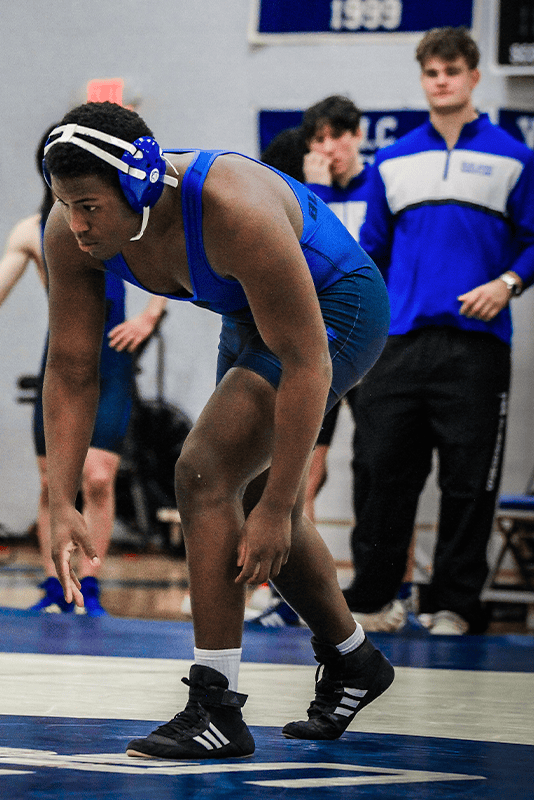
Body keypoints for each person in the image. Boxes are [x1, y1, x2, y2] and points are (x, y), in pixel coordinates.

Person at [40, 101, 394, 759]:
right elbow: (70, 367)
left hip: (337, 306)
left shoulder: (233, 209)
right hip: (247, 308)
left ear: (141, 184)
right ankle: (353, 659)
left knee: (204, 472)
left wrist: (281, 504)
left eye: (88, 205)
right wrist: (62, 498)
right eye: (64, 203)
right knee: (235, 488)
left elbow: (307, 362)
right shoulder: (67, 232)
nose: (77, 224)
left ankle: (216, 707)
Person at [343, 27, 534, 636]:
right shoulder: (393, 160)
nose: (442, 80)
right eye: (432, 72)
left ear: (474, 76)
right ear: (422, 79)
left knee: (468, 481)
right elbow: (368, 253)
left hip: (477, 349)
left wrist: (506, 282)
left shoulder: (515, 157)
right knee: (380, 473)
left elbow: (533, 242)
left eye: (452, 69)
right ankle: (372, 601)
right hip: (396, 347)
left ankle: (453, 604)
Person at [0, 128, 166, 616]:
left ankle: (88, 586)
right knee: (54, 482)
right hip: (63, 361)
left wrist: (149, 316)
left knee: (97, 478)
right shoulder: (34, 230)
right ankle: (56, 586)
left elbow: (170, 264)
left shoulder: (125, 222)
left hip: (111, 362)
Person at [299, 96, 371, 525]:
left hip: (375, 344)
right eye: (318, 139)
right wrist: (318, 192)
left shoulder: (381, 187)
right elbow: (307, 261)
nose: (328, 148)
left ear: (358, 135)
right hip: (322, 343)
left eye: (337, 136)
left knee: (382, 469)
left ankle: (391, 583)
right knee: (305, 472)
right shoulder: (306, 197)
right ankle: (287, 586)